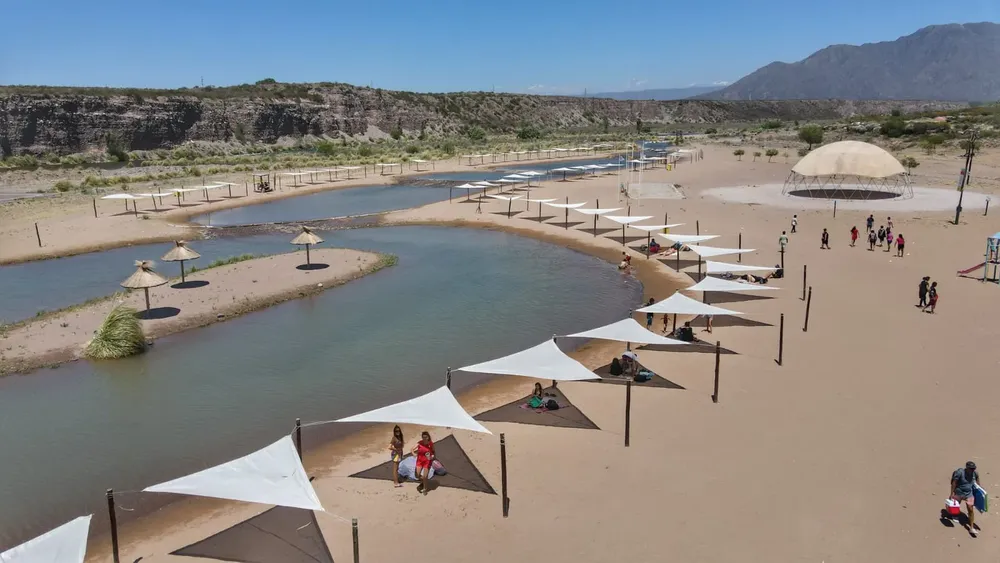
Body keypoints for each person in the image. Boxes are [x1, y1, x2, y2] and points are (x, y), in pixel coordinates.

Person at [950, 461, 981, 536]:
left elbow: (977, 480)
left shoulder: (975, 473)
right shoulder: (960, 472)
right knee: (955, 506)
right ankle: (955, 515)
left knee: (970, 509)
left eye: (973, 468)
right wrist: (952, 493)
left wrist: (979, 490)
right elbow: (954, 482)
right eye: (971, 468)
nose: (972, 470)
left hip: (969, 493)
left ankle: (971, 527)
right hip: (959, 492)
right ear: (966, 468)